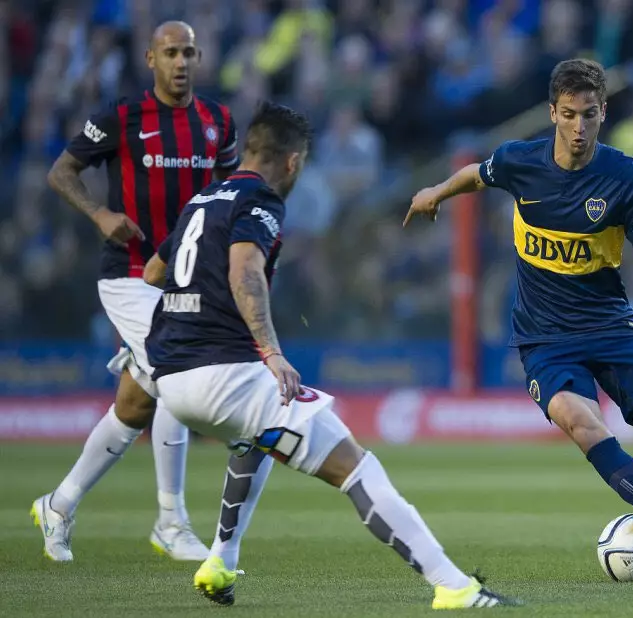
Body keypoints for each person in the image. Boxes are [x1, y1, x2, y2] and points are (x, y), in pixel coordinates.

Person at [141, 102, 517, 609]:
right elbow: (244, 273)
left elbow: (152, 272)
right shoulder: (261, 201)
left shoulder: (204, 200)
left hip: (173, 381)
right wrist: (270, 351)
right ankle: (453, 585)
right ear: (293, 162)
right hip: (221, 375)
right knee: (357, 467)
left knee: (258, 437)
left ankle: (221, 561)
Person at [403, 59, 633, 579]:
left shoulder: (625, 177)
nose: (579, 128)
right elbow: (477, 174)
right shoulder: (520, 162)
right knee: (582, 422)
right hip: (545, 339)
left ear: (605, 113)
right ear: (552, 112)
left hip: (610, 327)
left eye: (590, 115)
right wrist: (435, 193)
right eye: (570, 115)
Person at [32, 21, 239, 562]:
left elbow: (230, 196)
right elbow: (61, 171)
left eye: (189, 52)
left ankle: (59, 502)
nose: (181, 62)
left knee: (135, 400)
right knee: (176, 371)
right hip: (128, 274)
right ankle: (171, 521)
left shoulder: (218, 121)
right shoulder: (122, 117)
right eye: (170, 52)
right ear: (150, 58)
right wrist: (99, 213)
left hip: (186, 279)